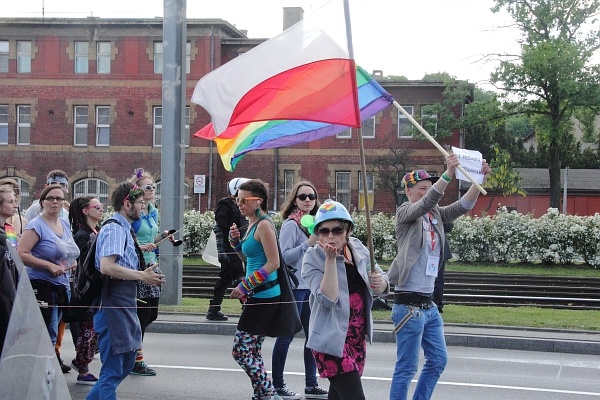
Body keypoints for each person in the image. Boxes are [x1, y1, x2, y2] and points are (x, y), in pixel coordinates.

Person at [388, 153, 490, 400]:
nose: (428, 192)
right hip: (409, 305)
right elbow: (425, 203)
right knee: (407, 368)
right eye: (422, 188)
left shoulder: (435, 215)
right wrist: (446, 175)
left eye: (429, 188)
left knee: (437, 361)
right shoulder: (405, 213)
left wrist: (479, 180)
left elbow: (462, 206)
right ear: (409, 192)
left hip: (429, 304)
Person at [302, 200, 389, 400]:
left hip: (355, 337)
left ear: (348, 229)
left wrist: (380, 283)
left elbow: (381, 280)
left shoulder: (357, 248)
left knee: (339, 396)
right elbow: (328, 299)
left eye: (337, 229)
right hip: (330, 340)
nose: (330, 236)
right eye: (323, 231)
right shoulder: (312, 258)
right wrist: (331, 260)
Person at [86, 182, 164, 400]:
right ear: (126, 204)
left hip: (125, 303)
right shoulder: (113, 228)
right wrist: (142, 276)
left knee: (127, 363)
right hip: (112, 305)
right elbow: (107, 266)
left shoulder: (124, 229)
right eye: (139, 203)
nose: (142, 207)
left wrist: (146, 274)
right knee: (111, 372)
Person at [272, 181, 328, 400]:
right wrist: (308, 243)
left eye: (311, 197)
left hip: (311, 288)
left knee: (312, 337)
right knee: (286, 336)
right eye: (303, 196)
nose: (307, 200)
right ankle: (277, 385)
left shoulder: (316, 224)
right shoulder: (290, 225)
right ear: (294, 200)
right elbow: (283, 257)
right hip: (295, 288)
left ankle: (311, 385)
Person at [229, 179, 283, 400]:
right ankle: (262, 394)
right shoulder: (252, 223)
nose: (239, 204)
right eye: (237, 199)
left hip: (265, 295)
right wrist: (235, 244)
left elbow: (273, 263)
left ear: (258, 201)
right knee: (252, 350)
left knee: (240, 350)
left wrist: (245, 284)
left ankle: (269, 393)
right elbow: (248, 258)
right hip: (256, 295)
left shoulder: (264, 225)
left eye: (243, 200)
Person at [17, 184, 80, 373]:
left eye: (59, 198)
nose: (55, 202)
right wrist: (48, 265)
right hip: (42, 285)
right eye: (50, 198)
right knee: (48, 332)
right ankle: (39, 374)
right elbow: (21, 253)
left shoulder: (64, 223)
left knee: (56, 331)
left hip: (62, 285)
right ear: (42, 201)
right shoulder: (36, 224)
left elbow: (69, 251)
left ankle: (44, 371)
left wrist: (73, 262)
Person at [129, 168, 171, 376]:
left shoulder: (152, 208)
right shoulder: (132, 210)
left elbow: (150, 238)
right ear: (137, 189)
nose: (152, 189)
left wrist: (163, 236)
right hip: (139, 267)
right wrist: (139, 246)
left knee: (151, 314)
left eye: (154, 186)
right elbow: (127, 234)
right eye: (148, 186)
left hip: (152, 264)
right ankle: (135, 359)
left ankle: (130, 351)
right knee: (141, 315)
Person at [67, 196, 104, 385]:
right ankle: (83, 369)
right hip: (86, 289)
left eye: (101, 206)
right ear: (85, 211)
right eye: (96, 207)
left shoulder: (94, 231)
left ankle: (82, 360)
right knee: (87, 329)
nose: (101, 209)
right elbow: (84, 265)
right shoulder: (82, 235)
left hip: (95, 288)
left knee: (94, 329)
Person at [206, 177, 248, 321]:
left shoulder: (242, 205)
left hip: (238, 247)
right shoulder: (225, 204)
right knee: (239, 276)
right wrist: (223, 249)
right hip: (229, 248)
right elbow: (220, 226)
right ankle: (247, 307)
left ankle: (214, 309)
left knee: (224, 280)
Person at [433, 222, 453, 313]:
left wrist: (438, 221)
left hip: (439, 250)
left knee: (438, 279)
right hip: (426, 250)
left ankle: (437, 305)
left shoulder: (439, 213)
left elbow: (449, 226)